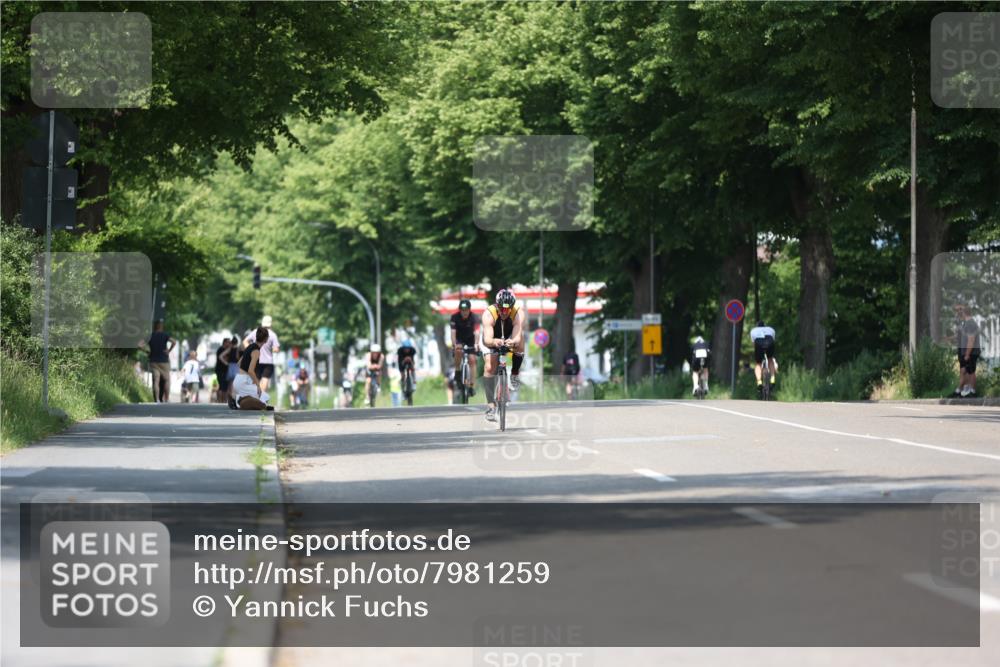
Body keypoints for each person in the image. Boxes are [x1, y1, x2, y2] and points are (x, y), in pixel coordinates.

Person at [481, 288, 526, 422]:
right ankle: (490, 406)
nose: (504, 313)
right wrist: (495, 342)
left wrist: (513, 341)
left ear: (512, 307)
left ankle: (515, 374)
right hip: (492, 337)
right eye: (502, 309)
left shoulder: (518, 313)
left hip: (509, 335)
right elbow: (487, 339)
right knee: (490, 367)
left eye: (508, 309)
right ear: (497, 305)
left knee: (521, 341)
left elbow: (517, 335)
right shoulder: (489, 314)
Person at [232, 327, 273, 410]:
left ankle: (240, 399)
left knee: (258, 395)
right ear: (266, 339)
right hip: (243, 382)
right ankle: (239, 401)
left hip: (237, 380)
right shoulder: (256, 351)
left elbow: (239, 363)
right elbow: (251, 370)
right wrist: (258, 384)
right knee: (265, 397)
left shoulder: (250, 346)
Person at [140, 320, 176, 403]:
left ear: (154, 327)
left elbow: (140, 345)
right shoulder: (165, 335)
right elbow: (174, 342)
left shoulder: (150, 335)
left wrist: (147, 351)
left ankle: (157, 400)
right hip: (164, 361)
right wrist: (169, 350)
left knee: (156, 380)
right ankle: (166, 399)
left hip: (153, 361)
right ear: (161, 327)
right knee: (167, 380)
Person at [451, 299, 481, 397]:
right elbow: (453, 333)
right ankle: (457, 371)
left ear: (469, 310)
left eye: (466, 310)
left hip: (471, 340)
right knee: (458, 351)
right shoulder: (454, 317)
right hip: (459, 339)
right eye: (462, 310)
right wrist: (454, 344)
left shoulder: (475, 317)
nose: (464, 312)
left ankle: (471, 386)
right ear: (460, 310)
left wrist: (476, 343)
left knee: (472, 360)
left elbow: (477, 332)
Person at [244, 315, 280, 394]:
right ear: (271, 324)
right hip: (268, 361)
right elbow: (276, 349)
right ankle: (262, 397)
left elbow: (245, 341)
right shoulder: (273, 335)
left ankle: (256, 397)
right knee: (265, 379)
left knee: (256, 379)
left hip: (256, 360)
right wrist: (273, 349)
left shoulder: (256, 332)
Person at [953, 305, 981, 398]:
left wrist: (967, 354)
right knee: (965, 370)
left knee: (971, 371)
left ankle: (972, 391)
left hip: (971, 351)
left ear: (964, 313)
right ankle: (964, 390)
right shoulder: (967, 323)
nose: (960, 313)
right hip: (968, 351)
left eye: (962, 312)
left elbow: (971, 340)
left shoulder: (970, 324)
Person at [749, 320, 778, 396]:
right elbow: (773, 340)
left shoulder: (753, 331)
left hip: (758, 343)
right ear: (764, 325)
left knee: (758, 363)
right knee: (770, 359)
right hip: (769, 341)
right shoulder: (771, 329)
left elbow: (754, 344)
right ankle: (772, 378)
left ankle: (759, 382)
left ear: (757, 326)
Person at [214, 338, 233, 403]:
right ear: (224, 343)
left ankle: (224, 400)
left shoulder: (227, 350)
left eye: (230, 342)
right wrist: (227, 364)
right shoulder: (221, 349)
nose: (229, 344)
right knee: (222, 386)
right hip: (220, 370)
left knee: (225, 386)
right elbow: (222, 358)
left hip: (225, 370)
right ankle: (220, 400)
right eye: (228, 342)